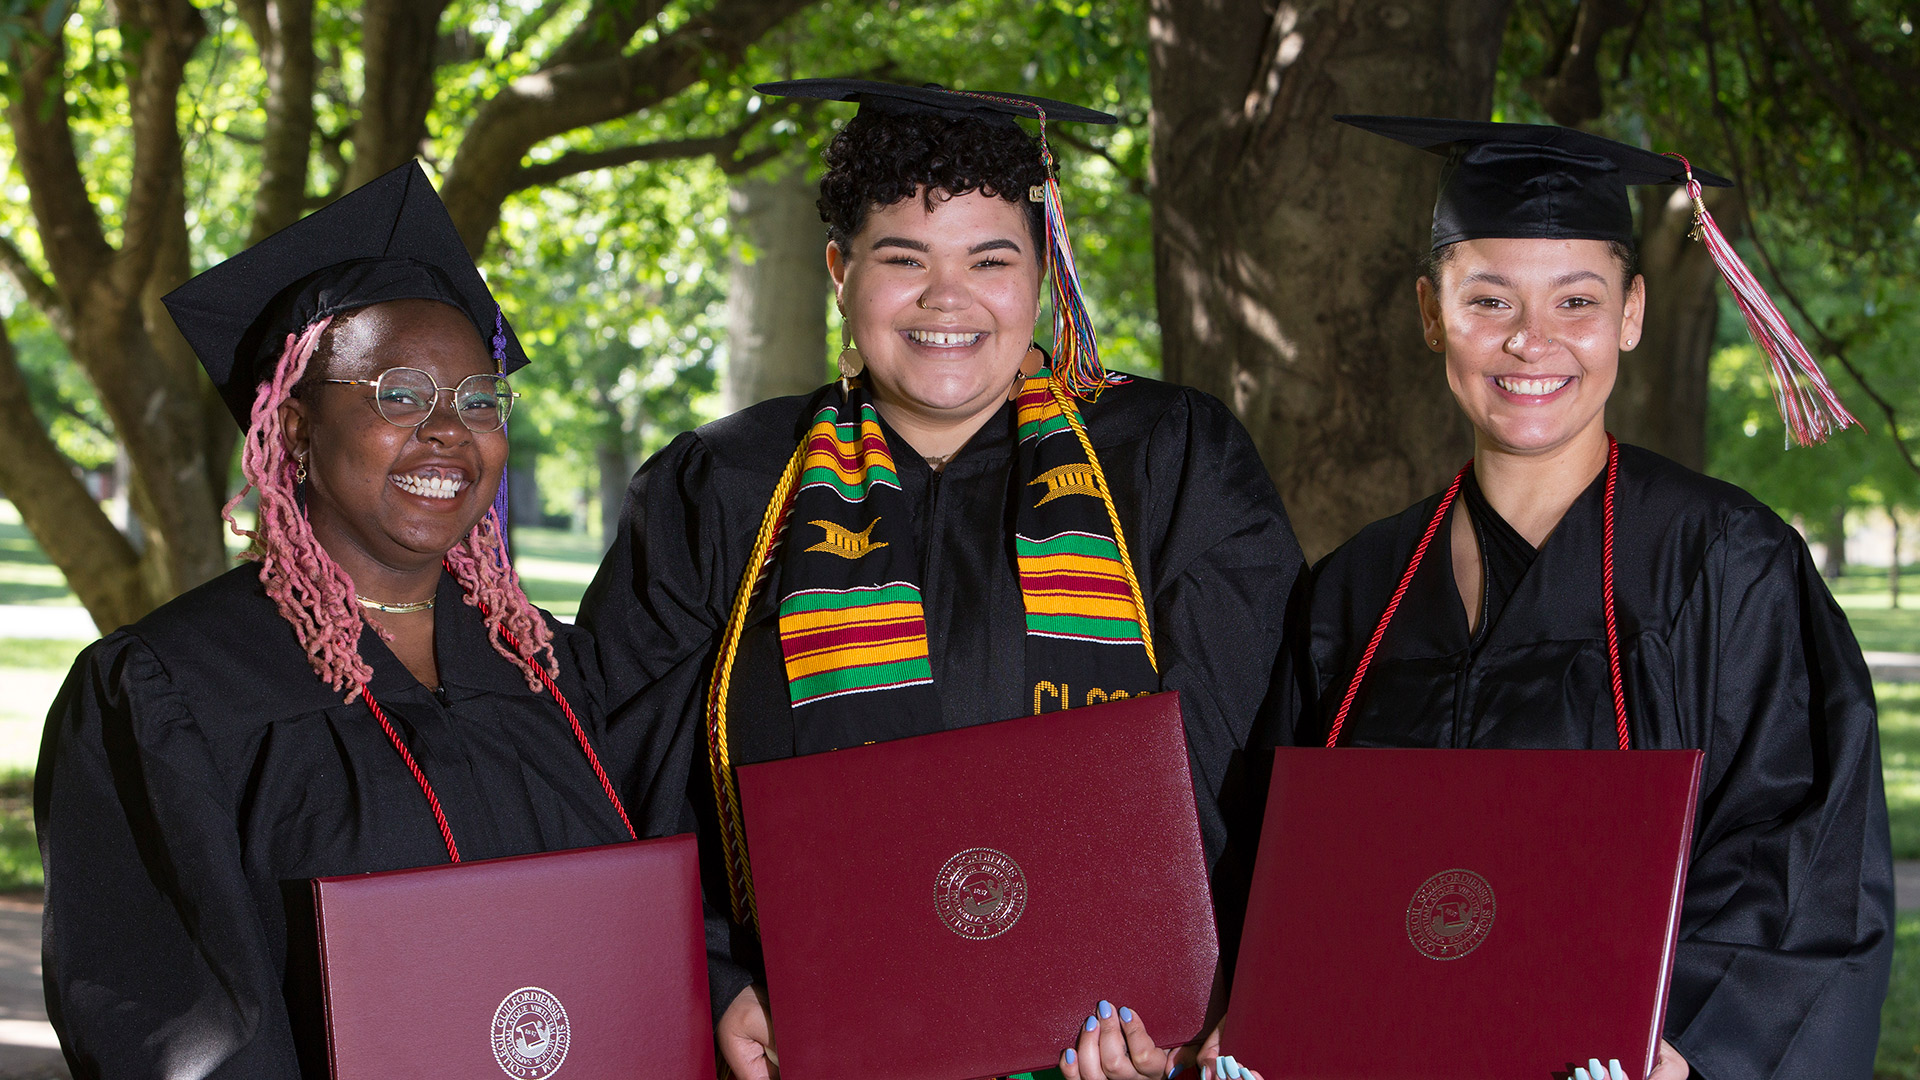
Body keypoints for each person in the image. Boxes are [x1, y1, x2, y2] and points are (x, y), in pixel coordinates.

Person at [578, 79, 1304, 1080]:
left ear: (1043, 278)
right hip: (820, 1048)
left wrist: (1203, 994)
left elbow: (1251, 755)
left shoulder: (1172, 463)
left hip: (1103, 1047)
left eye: (990, 260)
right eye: (902, 259)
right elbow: (624, 772)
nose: (947, 299)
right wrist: (713, 981)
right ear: (841, 271)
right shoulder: (726, 489)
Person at [1277, 117, 1893, 1079]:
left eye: (1577, 301)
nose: (1531, 342)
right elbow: (1290, 873)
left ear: (1633, 313)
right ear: (1430, 311)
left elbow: (1802, 858)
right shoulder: (1357, 589)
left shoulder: (1725, 564)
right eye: (1488, 300)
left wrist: (1688, 1048)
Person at [38, 162, 644, 1077]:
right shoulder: (168, 692)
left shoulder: (557, 671)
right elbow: (171, 1023)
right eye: (397, 395)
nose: (448, 429)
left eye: (480, 401)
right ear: (293, 432)